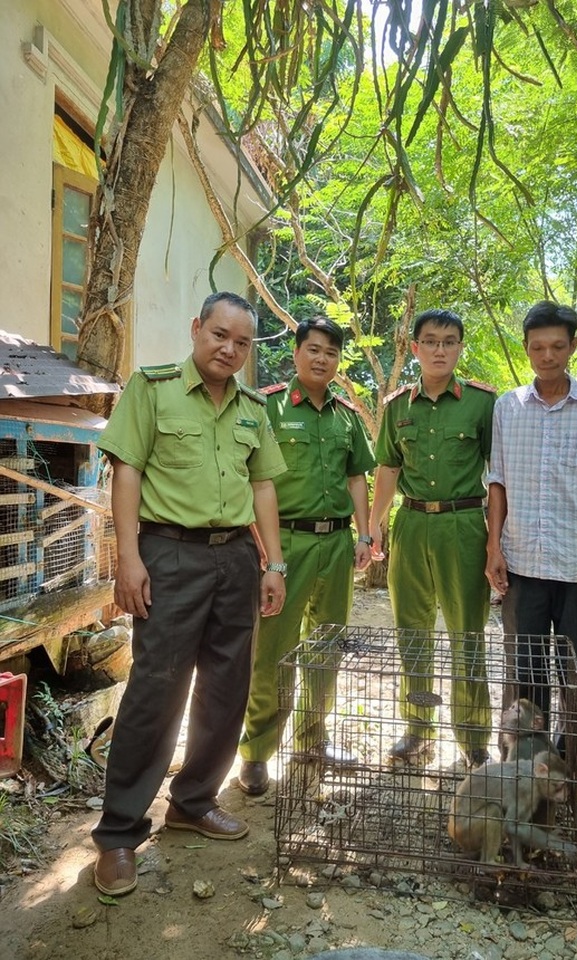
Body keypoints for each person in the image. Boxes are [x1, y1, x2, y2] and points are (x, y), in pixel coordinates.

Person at [91, 292, 288, 896]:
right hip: (169, 553)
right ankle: (120, 833)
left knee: (228, 686)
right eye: (219, 335)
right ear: (196, 328)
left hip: (236, 558)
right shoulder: (152, 390)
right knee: (157, 687)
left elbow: (262, 488)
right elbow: (127, 470)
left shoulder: (254, 406)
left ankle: (194, 801)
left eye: (242, 342)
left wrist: (273, 563)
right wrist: (129, 558)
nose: (229, 349)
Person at [485, 300, 577, 798]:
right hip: (522, 560)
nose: (547, 356)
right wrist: (493, 547)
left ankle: (574, 756)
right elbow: (496, 484)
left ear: (572, 347)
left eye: (557, 346)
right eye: (538, 347)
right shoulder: (507, 407)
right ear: (526, 348)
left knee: (575, 670)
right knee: (524, 668)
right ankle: (530, 761)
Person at [237, 317, 376, 796]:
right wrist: (266, 551)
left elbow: (357, 476)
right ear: (297, 353)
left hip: (336, 544)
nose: (322, 359)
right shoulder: (268, 406)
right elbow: (257, 482)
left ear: (339, 361)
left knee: (327, 646)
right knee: (274, 651)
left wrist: (365, 533)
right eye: (314, 349)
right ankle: (257, 751)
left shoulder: (346, 416)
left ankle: (313, 741)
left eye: (331, 353)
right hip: (286, 545)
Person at [369, 308, 495, 767]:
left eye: (449, 341)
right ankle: (418, 728)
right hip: (412, 522)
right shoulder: (397, 405)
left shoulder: (483, 403)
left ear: (460, 348)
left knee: (467, 634)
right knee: (412, 633)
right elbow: (388, 467)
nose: (440, 349)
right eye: (431, 340)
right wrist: (374, 524)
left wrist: (498, 541)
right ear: (415, 347)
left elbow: (497, 477)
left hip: (463, 525)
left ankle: (472, 735)